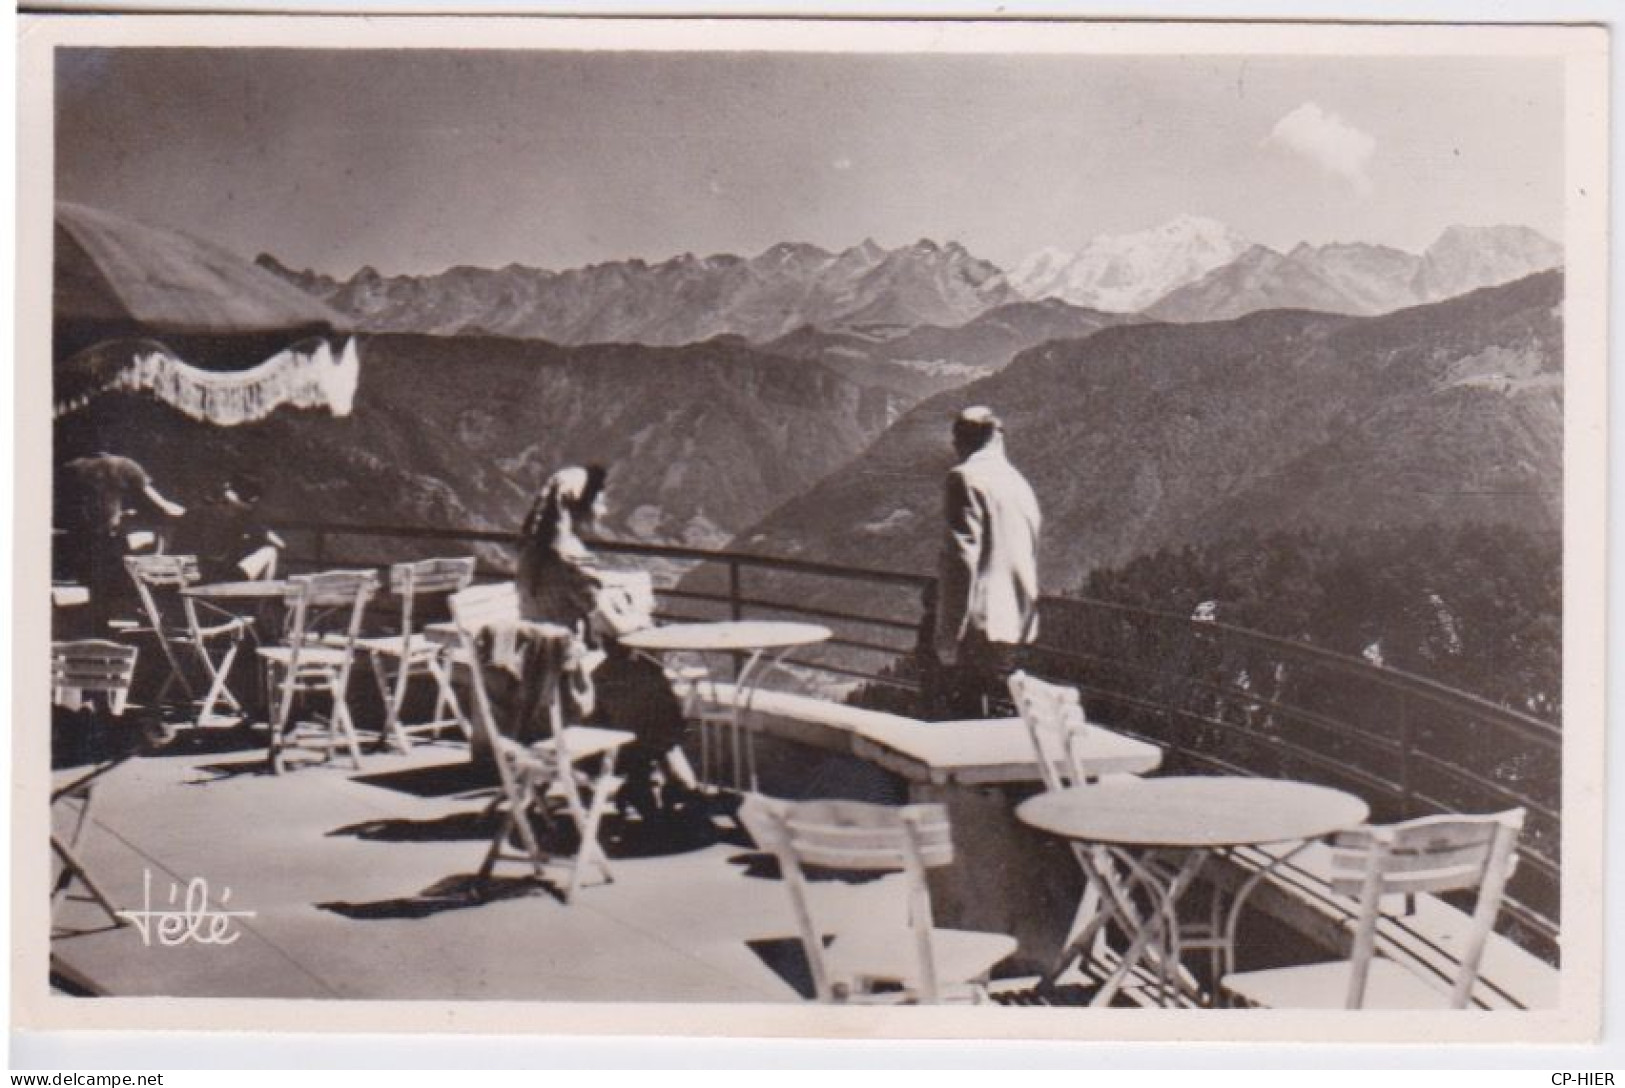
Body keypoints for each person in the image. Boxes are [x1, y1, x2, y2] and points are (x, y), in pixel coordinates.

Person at [516, 465, 701, 827]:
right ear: (578, 507)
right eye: (599, 501)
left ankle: (656, 784)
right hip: (573, 684)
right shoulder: (570, 558)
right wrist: (642, 619)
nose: (603, 509)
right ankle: (672, 787)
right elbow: (611, 625)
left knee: (640, 678)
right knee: (646, 678)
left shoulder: (532, 552)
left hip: (542, 678)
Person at [933, 406, 1043, 719]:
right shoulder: (1020, 484)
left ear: (963, 440)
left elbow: (961, 560)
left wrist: (949, 636)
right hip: (1018, 627)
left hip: (979, 630)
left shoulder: (964, 478)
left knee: (963, 725)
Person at [53, 452, 187, 629]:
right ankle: (147, 615)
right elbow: (161, 506)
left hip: (78, 541)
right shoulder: (124, 465)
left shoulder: (70, 467)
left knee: (98, 587)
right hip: (110, 540)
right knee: (146, 553)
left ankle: (101, 623)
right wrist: (183, 512)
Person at [183, 473, 286, 584]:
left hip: (198, 575)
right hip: (222, 577)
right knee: (270, 551)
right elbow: (281, 544)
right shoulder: (243, 519)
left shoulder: (204, 511)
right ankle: (264, 597)